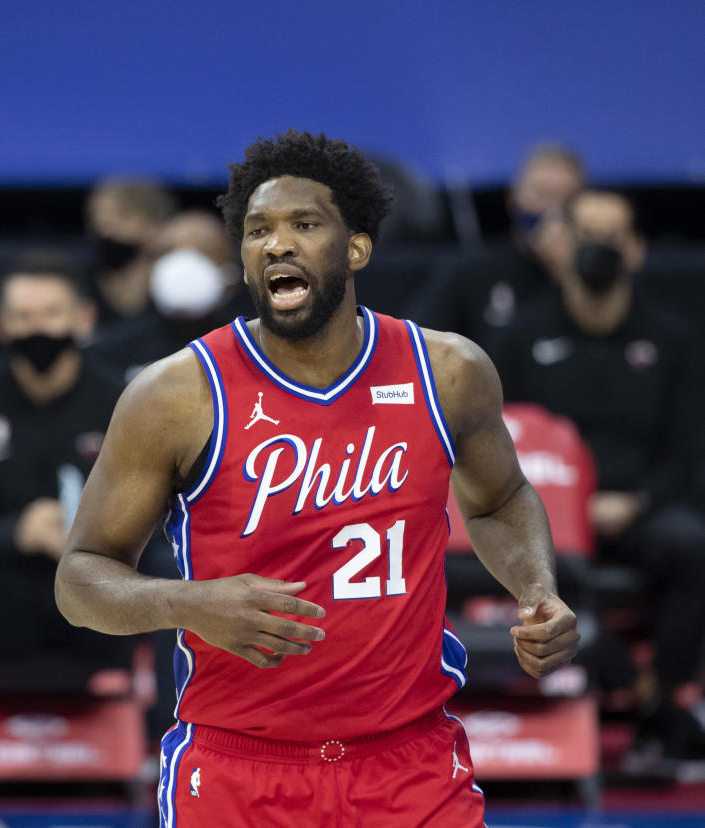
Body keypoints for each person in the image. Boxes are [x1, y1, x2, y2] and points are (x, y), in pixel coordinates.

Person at [54, 130, 580, 827]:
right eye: (257, 231)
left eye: (303, 224)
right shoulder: (175, 396)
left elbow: (501, 499)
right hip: (241, 770)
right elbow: (80, 579)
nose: (277, 244)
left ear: (356, 247)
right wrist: (190, 603)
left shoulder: (448, 373)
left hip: (410, 763)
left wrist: (537, 587)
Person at [494, 189, 705, 767]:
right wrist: (560, 508)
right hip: (547, 510)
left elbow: (686, 450)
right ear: (561, 244)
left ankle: (663, 695)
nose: (597, 249)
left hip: (638, 507)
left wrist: (635, 503)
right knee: (518, 564)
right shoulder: (519, 339)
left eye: (611, 237)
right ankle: (642, 703)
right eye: (585, 234)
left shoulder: (672, 338)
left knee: (695, 549)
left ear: (636, 251)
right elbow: (496, 447)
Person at [0, 251, 131, 826]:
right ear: (0, 324)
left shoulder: (125, 400)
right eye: (21, 316)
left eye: (50, 313)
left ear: (84, 318)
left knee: (173, 566)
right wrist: (20, 530)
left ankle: (171, 766)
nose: (36, 329)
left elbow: (160, 513)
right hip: (8, 604)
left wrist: (89, 535)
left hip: (100, 603)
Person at [411, 143, 586, 355]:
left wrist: (568, 273)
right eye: (541, 194)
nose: (553, 213)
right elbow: (419, 346)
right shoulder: (469, 271)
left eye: (567, 199)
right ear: (513, 198)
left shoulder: (597, 273)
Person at [90, 209, 245, 382]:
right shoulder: (111, 353)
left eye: (203, 250)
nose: (184, 263)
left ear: (231, 269)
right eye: (169, 250)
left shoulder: (257, 349)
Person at [85, 176, 177, 329]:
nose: (105, 227)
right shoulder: (88, 275)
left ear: (153, 220)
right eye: (97, 217)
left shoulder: (176, 273)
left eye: (121, 215)